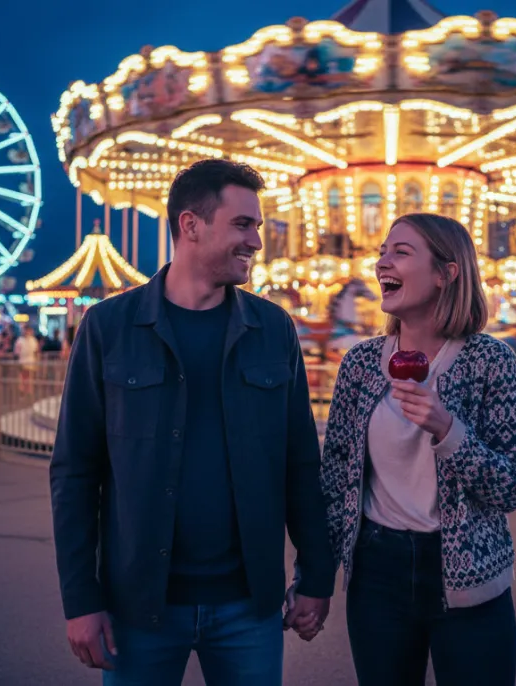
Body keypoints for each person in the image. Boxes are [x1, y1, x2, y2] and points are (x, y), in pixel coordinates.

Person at [50, 159, 334, 685]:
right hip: (140, 604)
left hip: (248, 604)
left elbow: (299, 462)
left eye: (258, 226)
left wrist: (317, 575)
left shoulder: (274, 329)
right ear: (190, 225)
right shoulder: (109, 327)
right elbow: (75, 473)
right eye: (243, 224)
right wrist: (80, 599)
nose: (257, 240)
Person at [317, 213, 516, 686]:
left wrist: (447, 428)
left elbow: (513, 486)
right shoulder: (359, 365)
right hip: (377, 570)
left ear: (445, 273)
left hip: (468, 576)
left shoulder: (491, 362)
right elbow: (335, 479)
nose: (380, 262)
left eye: (400, 252)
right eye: (382, 252)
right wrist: (315, 577)